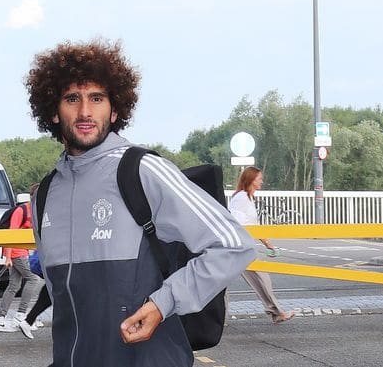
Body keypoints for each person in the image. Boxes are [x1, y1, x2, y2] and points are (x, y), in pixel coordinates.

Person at [25, 39, 256, 367]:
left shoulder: (142, 170)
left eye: (97, 98)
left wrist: (163, 304)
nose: (85, 111)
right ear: (53, 110)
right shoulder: (45, 196)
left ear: (114, 109)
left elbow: (234, 245)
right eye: (72, 98)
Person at [228, 166, 295, 323]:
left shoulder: (248, 198)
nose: (262, 181)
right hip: (240, 248)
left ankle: (276, 312)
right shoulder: (241, 198)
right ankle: (277, 312)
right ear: (251, 180)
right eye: (259, 178)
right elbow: (239, 223)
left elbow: (253, 225)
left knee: (222, 284)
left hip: (241, 247)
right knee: (261, 278)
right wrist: (265, 243)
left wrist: (267, 243)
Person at [0, 193, 45, 338]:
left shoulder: (34, 210)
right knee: (33, 279)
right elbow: (11, 234)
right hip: (16, 252)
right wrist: (8, 257)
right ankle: (21, 315)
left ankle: (0, 319)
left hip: (21, 251)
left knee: (13, 285)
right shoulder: (21, 211)